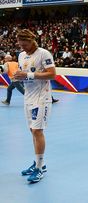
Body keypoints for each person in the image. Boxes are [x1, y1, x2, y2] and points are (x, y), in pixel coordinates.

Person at [14, 29, 56, 183]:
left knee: (38, 131)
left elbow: (52, 74)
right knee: (33, 130)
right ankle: (40, 164)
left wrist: (28, 75)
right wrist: (19, 77)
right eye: (20, 44)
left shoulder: (44, 53)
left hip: (42, 98)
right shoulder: (21, 55)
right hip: (28, 97)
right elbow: (24, 73)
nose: (22, 47)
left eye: (24, 44)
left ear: (31, 41)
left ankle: (39, 169)